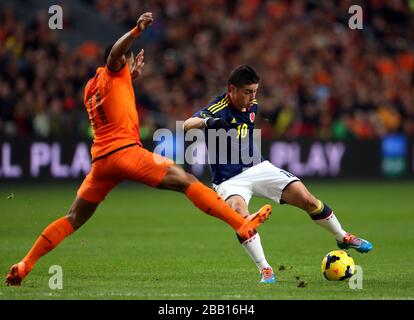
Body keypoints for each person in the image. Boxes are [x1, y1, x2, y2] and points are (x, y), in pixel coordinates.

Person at [5, 14, 272, 286]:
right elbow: (115, 58)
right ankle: (241, 224)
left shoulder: (91, 87)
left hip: (101, 162)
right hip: (126, 152)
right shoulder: (114, 67)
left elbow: (113, 94)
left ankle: (25, 264)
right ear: (123, 60)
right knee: (185, 180)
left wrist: (129, 76)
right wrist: (135, 31)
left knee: (73, 217)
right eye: (129, 62)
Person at [183, 64, 373, 284]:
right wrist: (208, 122)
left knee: (307, 199)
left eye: (255, 91)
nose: (252, 97)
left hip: (258, 167)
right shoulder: (218, 108)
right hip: (229, 180)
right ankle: (265, 269)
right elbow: (188, 124)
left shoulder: (252, 106)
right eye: (247, 92)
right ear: (232, 89)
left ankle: (343, 237)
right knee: (241, 218)